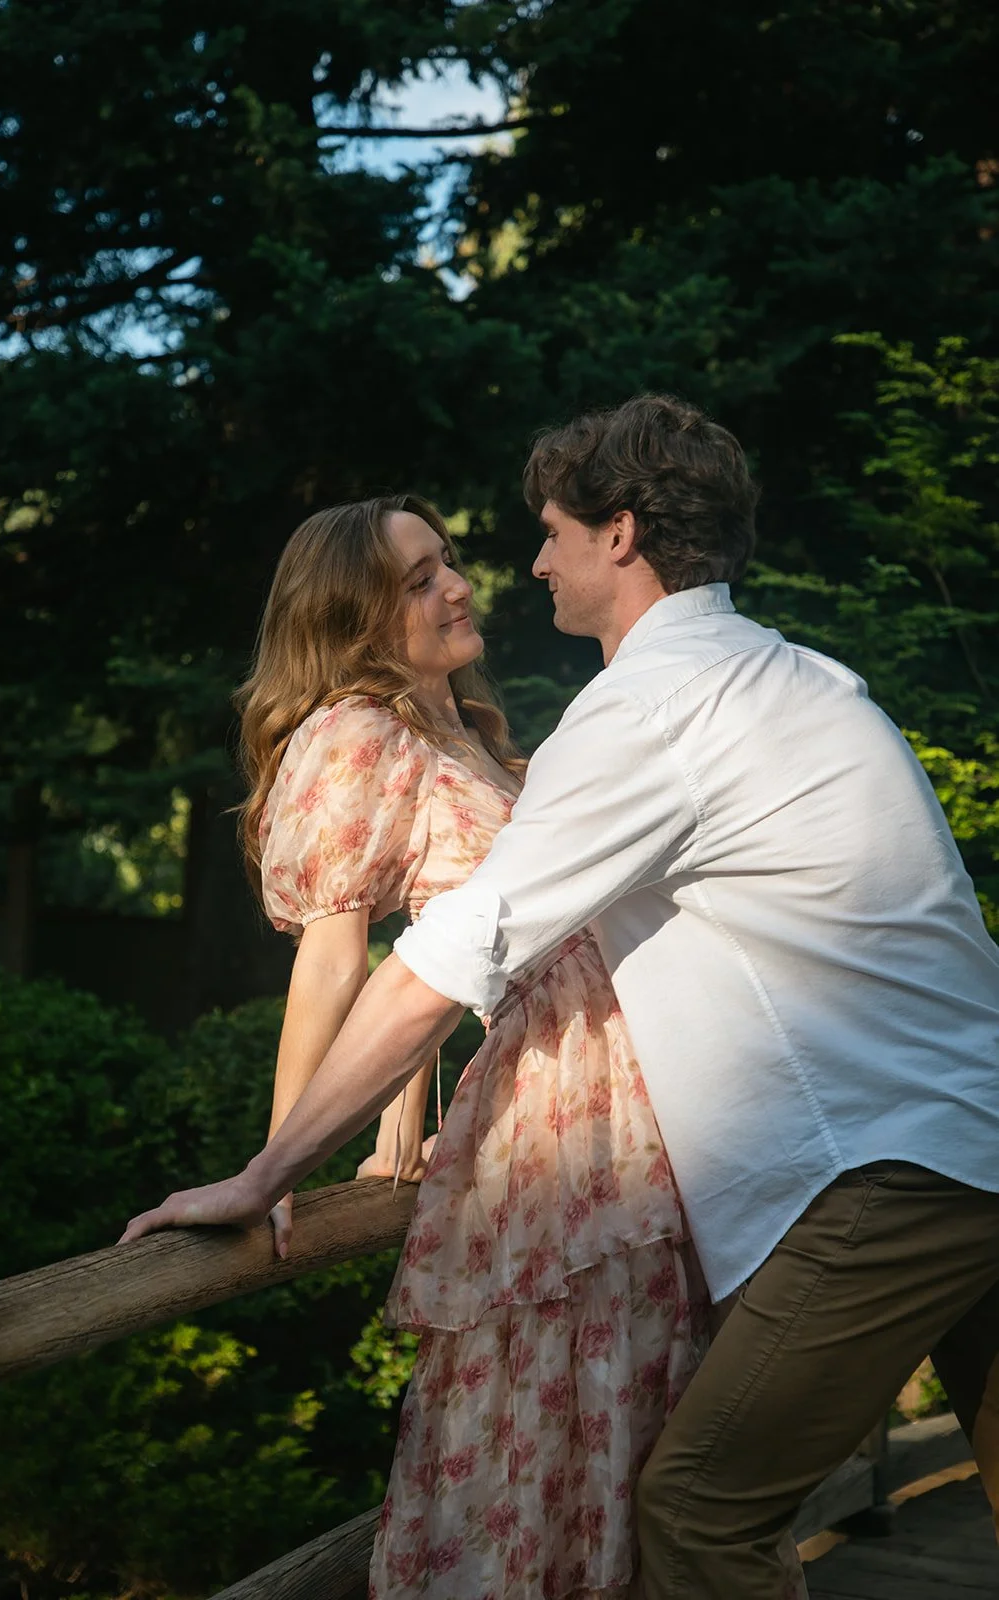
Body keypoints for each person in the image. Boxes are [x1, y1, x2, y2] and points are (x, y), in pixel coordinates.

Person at [122, 394, 999, 1600]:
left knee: (695, 1509)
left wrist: (265, 1175)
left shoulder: (641, 713)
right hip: (933, 1140)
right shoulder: (803, 678)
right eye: (428, 567)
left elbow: (450, 951)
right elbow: (381, 944)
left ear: (621, 536)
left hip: (889, 1172)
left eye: (546, 533)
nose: (521, 564)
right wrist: (370, 1122)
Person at [206, 491, 723, 1599]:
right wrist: (277, 1167)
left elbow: (440, 939)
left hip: (618, 1108)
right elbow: (339, 955)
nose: (456, 585)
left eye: (446, 562)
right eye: (417, 578)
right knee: (541, 1411)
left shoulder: (465, 735)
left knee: (623, 1414)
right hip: (552, 1122)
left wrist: (400, 1129)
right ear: (350, 618)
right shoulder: (353, 731)